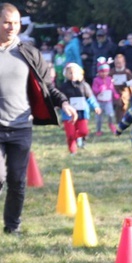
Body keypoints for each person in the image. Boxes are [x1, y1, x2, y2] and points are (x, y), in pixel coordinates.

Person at [0, 2, 77, 234]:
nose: (12, 27)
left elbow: (47, 87)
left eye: (16, 23)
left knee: (17, 181)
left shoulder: (28, 52)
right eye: (6, 22)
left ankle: (12, 227)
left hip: (21, 126)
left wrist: (63, 101)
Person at [59, 62, 100, 155]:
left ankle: (78, 138)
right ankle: (72, 151)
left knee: (84, 131)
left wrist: (96, 106)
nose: (72, 75)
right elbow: (59, 98)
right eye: (70, 73)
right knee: (70, 134)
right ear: (66, 74)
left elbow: (90, 98)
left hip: (82, 114)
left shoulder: (84, 86)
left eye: (75, 72)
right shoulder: (64, 87)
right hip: (68, 116)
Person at [91, 59, 119, 136]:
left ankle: (111, 124)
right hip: (99, 102)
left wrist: (115, 94)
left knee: (110, 114)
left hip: (108, 101)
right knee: (99, 118)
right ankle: (98, 130)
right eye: (102, 71)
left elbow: (112, 88)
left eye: (106, 71)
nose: (104, 73)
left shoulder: (109, 79)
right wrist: (99, 89)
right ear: (98, 72)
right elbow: (93, 90)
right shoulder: (96, 80)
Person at [111, 54, 132, 123]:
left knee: (124, 106)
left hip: (125, 92)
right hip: (115, 92)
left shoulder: (126, 71)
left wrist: (127, 83)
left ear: (124, 63)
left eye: (119, 63)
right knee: (118, 105)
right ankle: (119, 120)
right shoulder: (112, 71)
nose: (118, 65)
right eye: (116, 63)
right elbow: (108, 79)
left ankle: (125, 119)